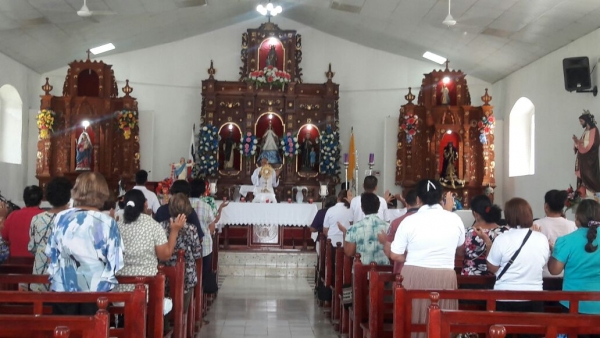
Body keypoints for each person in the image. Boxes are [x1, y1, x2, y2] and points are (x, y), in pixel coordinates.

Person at [384, 179, 464, 338]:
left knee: (414, 320)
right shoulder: (455, 219)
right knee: (441, 322)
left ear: (418, 199)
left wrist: (414, 255)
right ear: (441, 198)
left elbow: (394, 254)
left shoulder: (409, 221)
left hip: (415, 275)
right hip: (445, 276)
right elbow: (460, 247)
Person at [45, 172, 124, 315]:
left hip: (63, 287)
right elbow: (116, 262)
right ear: (103, 193)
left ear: (76, 191)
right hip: (95, 291)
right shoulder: (107, 222)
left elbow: (51, 255)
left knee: (65, 331)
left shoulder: (61, 217)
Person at [486, 198, 550, 335]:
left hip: (505, 296)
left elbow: (492, 267)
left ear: (508, 216)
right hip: (534, 296)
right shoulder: (541, 239)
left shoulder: (502, 239)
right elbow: (543, 263)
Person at [116, 189, 185, 292]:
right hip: (147, 292)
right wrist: (174, 231)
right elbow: (165, 255)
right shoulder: (153, 225)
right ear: (146, 204)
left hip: (118, 292)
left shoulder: (117, 226)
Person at [548, 199, 600, 319]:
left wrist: (553, 251)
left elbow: (554, 270)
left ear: (577, 218)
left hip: (573, 303)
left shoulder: (566, 240)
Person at [160, 193, 203, 316]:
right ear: (188, 208)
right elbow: (197, 254)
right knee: (181, 308)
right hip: (186, 276)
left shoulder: (161, 226)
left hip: (165, 273)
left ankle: (166, 322)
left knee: (164, 304)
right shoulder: (192, 229)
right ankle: (181, 319)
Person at [28, 177, 72, 292]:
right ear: (69, 196)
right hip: (63, 280)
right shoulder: (73, 220)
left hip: (40, 277)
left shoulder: (36, 219)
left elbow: (32, 248)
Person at [189, 179, 228, 296]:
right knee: (203, 272)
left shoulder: (183, 204)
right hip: (204, 246)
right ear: (202, 191)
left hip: (186, 246)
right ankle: (199, 295)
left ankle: (190, 295)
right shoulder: (206, 206)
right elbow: (212, 228)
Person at [461, 195, 508, 276]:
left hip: (470, 278)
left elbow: (460, 253)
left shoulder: (467, 232)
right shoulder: (504, 232)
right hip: (495, 277)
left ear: (475, 214)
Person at [534, 189, 577, 277]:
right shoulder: (573, 225)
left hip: (542, 275)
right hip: (566, 276)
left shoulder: (536, 225)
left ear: (546, 206)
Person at [340, 192, 389, 265]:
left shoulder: (354, 228)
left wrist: (344, 233)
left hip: (362, 271)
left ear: (362, 208)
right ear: (378, 207)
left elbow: (349, 252)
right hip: (384, 271)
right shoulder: (388, 227)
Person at [379, 189, 420, 274]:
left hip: (401, 273)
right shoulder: (431, 221)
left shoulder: (397, 222)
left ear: (407, 204)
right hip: (425, 273)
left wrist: (384, 242)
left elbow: (388, 252)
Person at [2, 185, 43, 258]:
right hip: (37, 263)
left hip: (14, 263)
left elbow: (3, 236)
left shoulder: (12, 215)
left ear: (24, 199)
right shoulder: (45, 217)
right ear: (40, 201)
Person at [573, 110, 600, 196]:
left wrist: (580, 146)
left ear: (587, 120)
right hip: (583, 159)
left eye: (581, 121)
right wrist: (576, 142)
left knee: (590, 177)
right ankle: (583, 195)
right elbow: (583, 142)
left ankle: (593, 195)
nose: (581, 123)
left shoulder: (594, 130)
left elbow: (593, 145)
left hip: (589, 160)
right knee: (583, 179)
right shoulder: (586, 131)